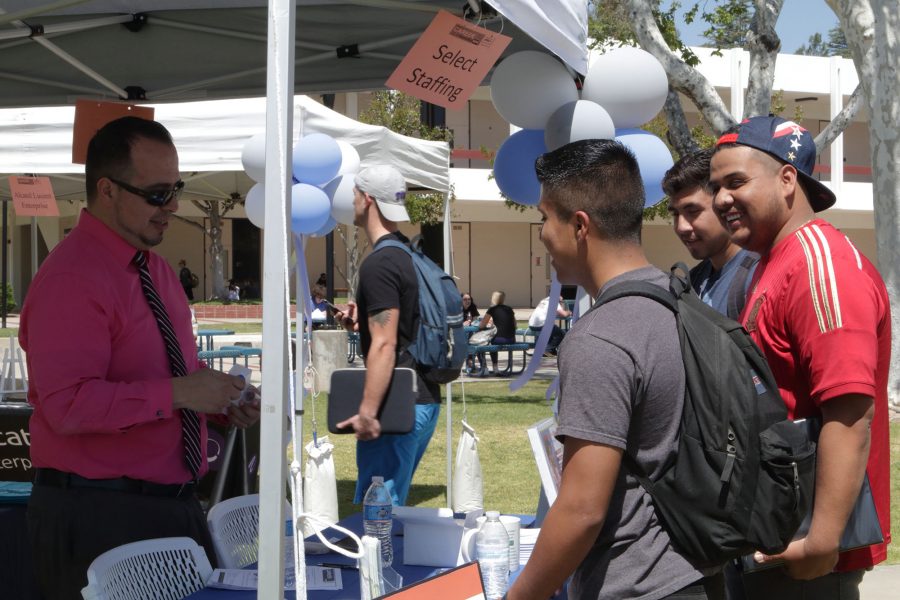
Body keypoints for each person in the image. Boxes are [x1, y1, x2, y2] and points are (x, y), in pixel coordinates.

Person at [19, 116, 261, 600]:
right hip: (97, 515)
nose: (171, 206)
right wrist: (180, 392)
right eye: (156, 193)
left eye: (176, 188)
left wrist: (217, 403)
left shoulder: (157, 271)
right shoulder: (74, 276)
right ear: (106, 190)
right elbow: (67, 405)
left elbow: (165, 380)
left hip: (166, 508)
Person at [508, 139, 723, 600]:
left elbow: (582, 512)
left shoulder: (599, 337)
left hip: (637, 583)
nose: (543, 233)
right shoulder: (683, 301)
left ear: (579, 225)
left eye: (545, 217)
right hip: (701, 570)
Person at [709, 115, 891, 599]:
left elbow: (850, 410)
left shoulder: (819, 262)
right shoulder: (773, 260)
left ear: (788, 179)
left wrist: (821, 541)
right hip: (772, 525)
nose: (721, 199)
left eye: (736, 182)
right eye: (716, 187)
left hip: (806, 551)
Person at [333, 165, 441, 506]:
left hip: (396, 405)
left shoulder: (379, 264)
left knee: (378, 517)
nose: (351, 203)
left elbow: (385, 342)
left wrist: (367, 411)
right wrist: (361, 324)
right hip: (424, 398)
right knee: (390, 514)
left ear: (367, 199)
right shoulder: (410, 255)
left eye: (354, 195)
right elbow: (405, 324)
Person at [663, 149, 759, 320]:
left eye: (693, 211)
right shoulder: (693, 282)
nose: (681, 227)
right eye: (676, 214)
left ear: (723, 205)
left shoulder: (757, 278)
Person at [477, 291, 517, 375]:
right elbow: (515, 325)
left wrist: (489, 325)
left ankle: (493, 367)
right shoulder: (509, 309)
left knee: (489, 343)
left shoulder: (492, 309)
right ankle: (496, 368)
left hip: (499, 339)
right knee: (494, 341)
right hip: (511, 339)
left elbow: (481, 325)